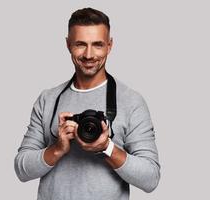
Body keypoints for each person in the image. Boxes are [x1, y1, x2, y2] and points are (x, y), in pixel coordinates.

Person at [14, 7, 160, 200]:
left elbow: (150, 179)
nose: (89, 55)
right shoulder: (48, 99)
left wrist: (107, 148)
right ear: (68, 45)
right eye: (80, 44)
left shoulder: (131, 102)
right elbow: (21, 169)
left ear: (110, 45)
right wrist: (57, 148)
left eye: (98, 45)